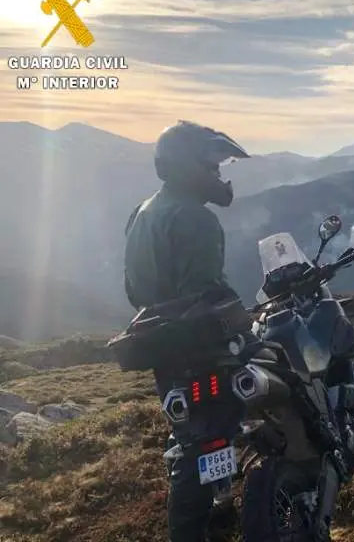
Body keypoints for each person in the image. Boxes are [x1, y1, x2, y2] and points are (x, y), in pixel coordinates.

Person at [123, 120, 250, 541]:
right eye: (211, 164)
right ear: (187, 166)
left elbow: (133, 290)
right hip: (201, 350)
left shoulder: (142, 213)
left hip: (165, 349)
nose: (218, 173)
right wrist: (246, 325)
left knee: (193, 437)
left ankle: (218, 500)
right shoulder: (196, 219)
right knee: (218, 432)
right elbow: (206, 293)